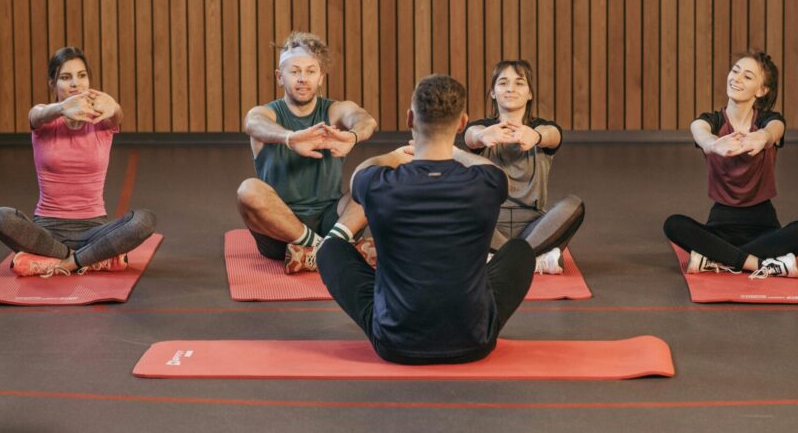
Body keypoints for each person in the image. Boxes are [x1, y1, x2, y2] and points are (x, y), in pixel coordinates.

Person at [317, 74, 535, 365]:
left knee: (330, 248)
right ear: (462, 123)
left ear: (410, 119)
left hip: (395, 342)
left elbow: (359, 175)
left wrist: (395, 155)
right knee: (520, 251)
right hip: (474, 342)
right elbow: (496, 173)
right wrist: (457, 153)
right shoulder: (487, 182)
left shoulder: (378, 182)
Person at [0, 47, 156, 277]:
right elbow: (37, 114)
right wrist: (61, 108)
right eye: (66, 78)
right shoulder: (45, 120)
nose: (76, 83)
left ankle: (63, 262)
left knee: (144, 221)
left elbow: (116, 115)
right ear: (52, 83)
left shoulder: (100, 122)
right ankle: (89, 258)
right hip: (45, 232)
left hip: (94, 230)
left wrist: (115, 107)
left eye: (82, 75)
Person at [663, 50, 798, 279]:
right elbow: (699, 131)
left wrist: (763, 137)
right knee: (674, 225)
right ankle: (761, 263)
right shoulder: (712, 121)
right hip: (720, 227)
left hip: (764, 227)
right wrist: (713, 144)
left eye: (747, 76)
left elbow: (775, 129)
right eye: (735, 71)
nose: (736, 78)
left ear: (761, 90)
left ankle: (717, 259)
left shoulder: (768, 120)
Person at [236, 31, 378, 273]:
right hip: (280, 232)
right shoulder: (267, 114)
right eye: (294, 71)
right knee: (248, 190)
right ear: (280, 77)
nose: (303, 78)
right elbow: (253, 122)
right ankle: (331, 251)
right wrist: (290, 138)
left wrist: (352, 136)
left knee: (375, 176)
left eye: (310, 71)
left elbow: (365, 119)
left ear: (321, 77)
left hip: (332, 221)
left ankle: (316, 252)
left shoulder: (334, 111)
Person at [463, 60, 585, 275]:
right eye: (503, 83)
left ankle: (499, 259)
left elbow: (554, 135)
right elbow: (470, 137)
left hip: (534, 225)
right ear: (493, 92)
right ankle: (534, 259)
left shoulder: (540, 128)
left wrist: (536, 136)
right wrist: (482, 135)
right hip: (491, 223)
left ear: (530, 94)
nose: (511, 88)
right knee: (458, 207)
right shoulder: (481, 127)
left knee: (573, 205)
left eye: (519, 83)